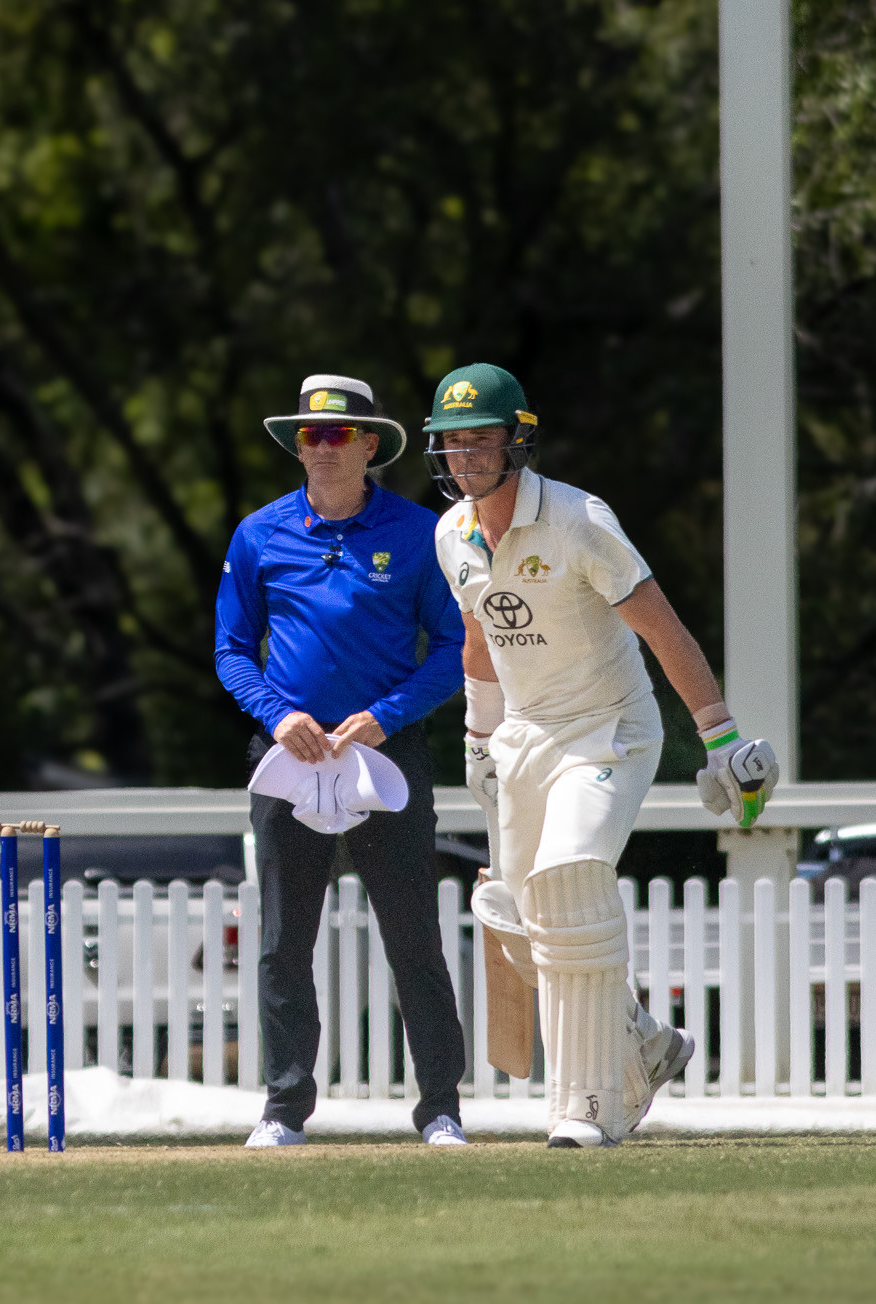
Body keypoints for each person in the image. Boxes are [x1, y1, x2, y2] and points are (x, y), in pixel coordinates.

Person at [425, 362, 777, 1148]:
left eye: (480, 440)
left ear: (518, 441)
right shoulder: (450, 534)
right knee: (516, 918)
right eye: (451, 444)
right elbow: (479, 639)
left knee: (570, 875)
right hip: (524, 733)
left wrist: (719, 733)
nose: (464, 458)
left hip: (609, 727)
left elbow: (661, 625)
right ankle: (646, 1043)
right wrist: (479, 738)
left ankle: (587, 1106)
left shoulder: (581, 519)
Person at [217, 374, 471, 1147]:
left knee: (413, 933)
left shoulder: (420, 532)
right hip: (288, 752)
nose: (320, 447)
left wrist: (385, 716)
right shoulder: (258, 533)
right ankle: (283, 1109)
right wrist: (279, 713)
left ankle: (441, 1108)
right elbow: (231, 651)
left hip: (385, 750)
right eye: (309, 435)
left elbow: (456, 649)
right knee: (282, 939)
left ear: (369, 446)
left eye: (336, 435)